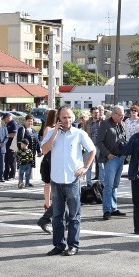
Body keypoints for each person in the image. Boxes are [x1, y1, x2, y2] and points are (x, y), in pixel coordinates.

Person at [41, 106, 96, 256]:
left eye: (70, 117)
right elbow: (44, 150)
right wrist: (54, 134)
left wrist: (85, 167)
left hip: (72, 180)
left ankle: (73, 245)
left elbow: (92, 150)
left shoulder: (79, 133)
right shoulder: (52, 133)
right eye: (64, 117)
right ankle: (59, 245)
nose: (67, 120)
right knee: (57, 216)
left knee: (74, 216)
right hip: (56, 180)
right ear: (58, 118)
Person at [96, 106, 128, 220]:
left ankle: (113, 208)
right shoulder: (105, 124)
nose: (122, 117)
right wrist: (107, 154)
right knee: (108, 185)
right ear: (113, 114)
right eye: (120, 115)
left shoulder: (122, 124)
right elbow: (99, 141)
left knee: (115, 185)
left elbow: (124, 139)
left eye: (123, 115)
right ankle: (107, 210)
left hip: (120, 157)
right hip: (111, 158)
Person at [35, 109, 58, 232]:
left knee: (56, 189)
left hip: (54, 161)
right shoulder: (49, 129)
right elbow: (45, 147)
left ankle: (48, 216)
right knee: (49, 184)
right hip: (49, 161)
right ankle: (47, 204)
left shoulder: (57, 128)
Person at [3, 113, 19, 181]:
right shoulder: (8, 124)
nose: (4, 120)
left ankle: (12, 175)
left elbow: (15, 134)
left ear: (8, 117)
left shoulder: (13, 123)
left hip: (13, 144)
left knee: (12, 160)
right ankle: (6, 174)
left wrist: (6, 135)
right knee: (6, 160)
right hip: (8, 144)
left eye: (5, 119)